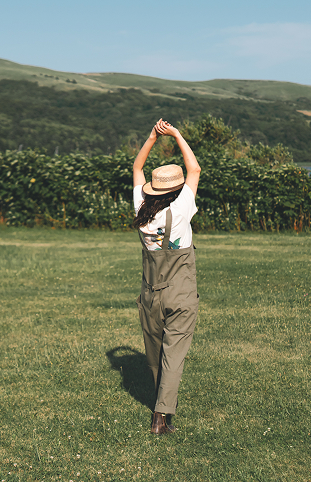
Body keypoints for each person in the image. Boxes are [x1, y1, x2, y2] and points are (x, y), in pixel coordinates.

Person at [132, 118, 202, 435]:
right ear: (175, 191)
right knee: (174, 355)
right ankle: (161, 418)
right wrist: (176, 134)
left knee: (155, 353)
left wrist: (150, 138)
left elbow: (136, 170)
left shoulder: (142, 211)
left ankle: (162, 407)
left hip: (151, 295)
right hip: (181, 294)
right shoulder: (183, 207)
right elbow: (195, 169)